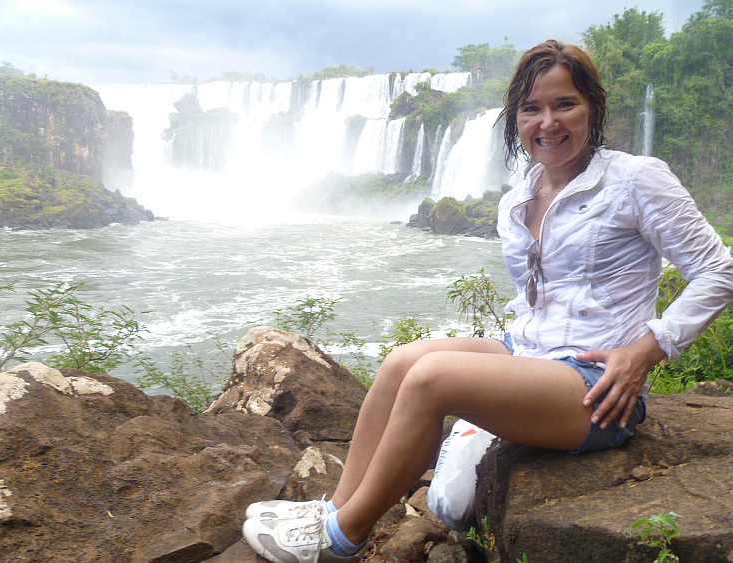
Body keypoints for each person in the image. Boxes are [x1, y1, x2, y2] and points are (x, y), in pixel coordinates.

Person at [242, 39, 733, 563]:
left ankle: (341, 539)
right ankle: (334, 507)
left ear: (592, 107)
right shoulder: (518, 198)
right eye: (532, 108)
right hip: (529, 355)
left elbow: (718, 270)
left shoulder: (635, 180)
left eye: (565, 104)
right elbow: (538, 302)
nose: (549, 122)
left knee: (433, 380)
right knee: (403, 362)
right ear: (515, 120)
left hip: (597, 386)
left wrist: (648, 349)